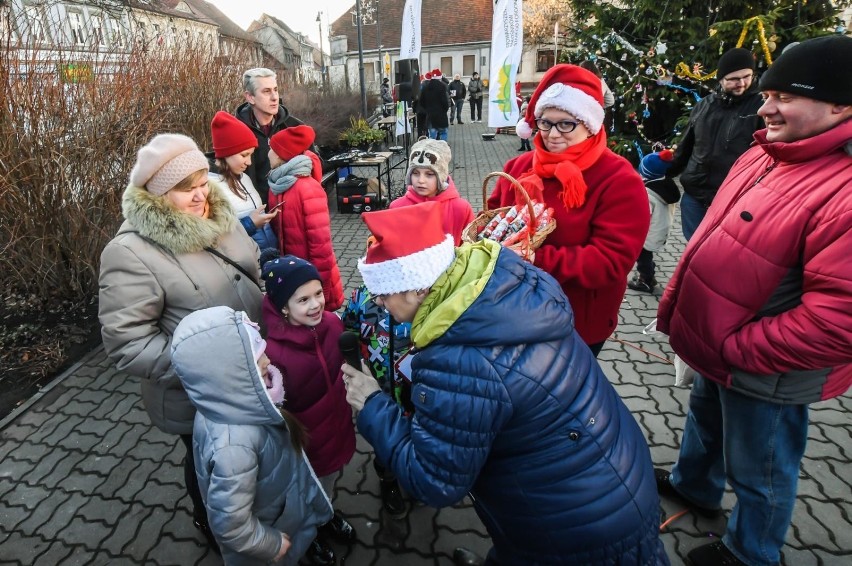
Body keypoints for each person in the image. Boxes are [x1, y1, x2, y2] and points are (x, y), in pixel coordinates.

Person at [340, 202, 669, 566]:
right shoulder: (500, 284)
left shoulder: (458, 361)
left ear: (418, 289)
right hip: (612, 473)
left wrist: (372, 404)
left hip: (573, 529)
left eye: (385, 293)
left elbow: (434, 481)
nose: (381, 304)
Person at [655, 35, 852, 566]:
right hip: (722, 348)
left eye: (784, 96)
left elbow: (839, 319)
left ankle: (751, 551)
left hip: (765, 368)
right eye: (767, 94)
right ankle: (693, 485)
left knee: (761, 468)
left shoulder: (845, 188)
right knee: (705, 419)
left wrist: (742, 347)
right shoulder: (766, 153)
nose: (764, 107)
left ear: (841, 105)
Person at [98, 133, 264, 553]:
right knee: (208, 462)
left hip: (256, 372)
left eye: (202, 181)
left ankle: (261, 512)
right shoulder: (131, 252)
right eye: (184, 188)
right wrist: (210, 368)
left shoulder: (219, 214)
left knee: (253, 456)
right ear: (156, 196)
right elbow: (128, 344)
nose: (199, 195)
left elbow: (250, 270)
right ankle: (210, 520)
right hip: (199, 396)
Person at [487, 64, 650, 357]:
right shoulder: (519, 168)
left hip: (575, 321)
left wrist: (535, 258)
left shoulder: (618, 179)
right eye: (546, 123)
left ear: (590, 124)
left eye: (566, 124)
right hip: (514, 311)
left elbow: (610, 261)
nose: (552, 134)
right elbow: (492, 218)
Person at [170, 306, 333, 565]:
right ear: (230, 375)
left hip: (278, 508)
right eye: (258, 360)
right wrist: (271, 544)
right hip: (271, 535)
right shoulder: (234, 446)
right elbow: (230, 523)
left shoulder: (222, 405)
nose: (268, 360)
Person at [261, 255, 357, 566]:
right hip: (304, 442)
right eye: (303, 299)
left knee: (327, 484)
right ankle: (309, 534)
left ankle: (326, 515)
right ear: (283, 307)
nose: (315, 304)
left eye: (318, 294)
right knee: (302, 493)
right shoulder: (273, 352)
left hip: (336, 424)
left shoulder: (332, 323)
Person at [668, 48, 764, 240]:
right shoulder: (704, 105)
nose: (742, 83)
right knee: (694, 247)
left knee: (720, 252)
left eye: (747, 76)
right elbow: (686, 144)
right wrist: (665, 174)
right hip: (695, 194)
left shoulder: (760, 108)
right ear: (721, 79)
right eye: (734, 79)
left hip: (733, 198)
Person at [266, 125, 344, 312]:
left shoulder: (307, 188)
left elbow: (321, 246)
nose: (267, 152)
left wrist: (321, 288)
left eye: (271, 148)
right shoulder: (277, 185)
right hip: (293, 275)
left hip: (310, 278)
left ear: (279, 154)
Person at [208, 111, 278, 253]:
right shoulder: (208, 187)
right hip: (244, 266)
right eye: (244, 155)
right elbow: (214, 239)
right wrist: (251, 224)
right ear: (225, 152)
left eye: (251, 155)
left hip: (265, 257)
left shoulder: (244, 178)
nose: (249, 162)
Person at [235, 67, 305, 203]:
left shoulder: (294, 127)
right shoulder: (236, 131)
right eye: (266, 91)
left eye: (276, 90)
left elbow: (313, 165)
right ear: (250, 97)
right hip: (257, 213)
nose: (274, 97)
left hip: (291, 210)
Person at [389, 138, 474, 245]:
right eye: (415, 173)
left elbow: (471, 247)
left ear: (441, 176)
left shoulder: (461, 208)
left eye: (429, 174)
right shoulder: (397, 207)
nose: (421, 180)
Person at [627, 149, 679, 293]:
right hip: (660, 229)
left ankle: (646, 280)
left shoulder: (648, 193)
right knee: (646, 256)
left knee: (643, 257)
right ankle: (648, 275)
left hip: (649, 234)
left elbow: (642, 215)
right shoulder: (665, 184)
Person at [578, 60, 615, 129]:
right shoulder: (600, 80)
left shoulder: (581, 80)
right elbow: (610, 100)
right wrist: (599, 106)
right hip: (594, 113)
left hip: (582, 112)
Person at [419, 70, 450, 141]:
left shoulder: (426, 86)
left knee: (432, 136)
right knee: (443, 133)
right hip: (441, 115)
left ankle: (431, 150)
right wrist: (444, 110)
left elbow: (421, 101)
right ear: (440, 77)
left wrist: (427, 109)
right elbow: (445, 102)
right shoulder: (442, 86)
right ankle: (442, 149)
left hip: (431, 116)